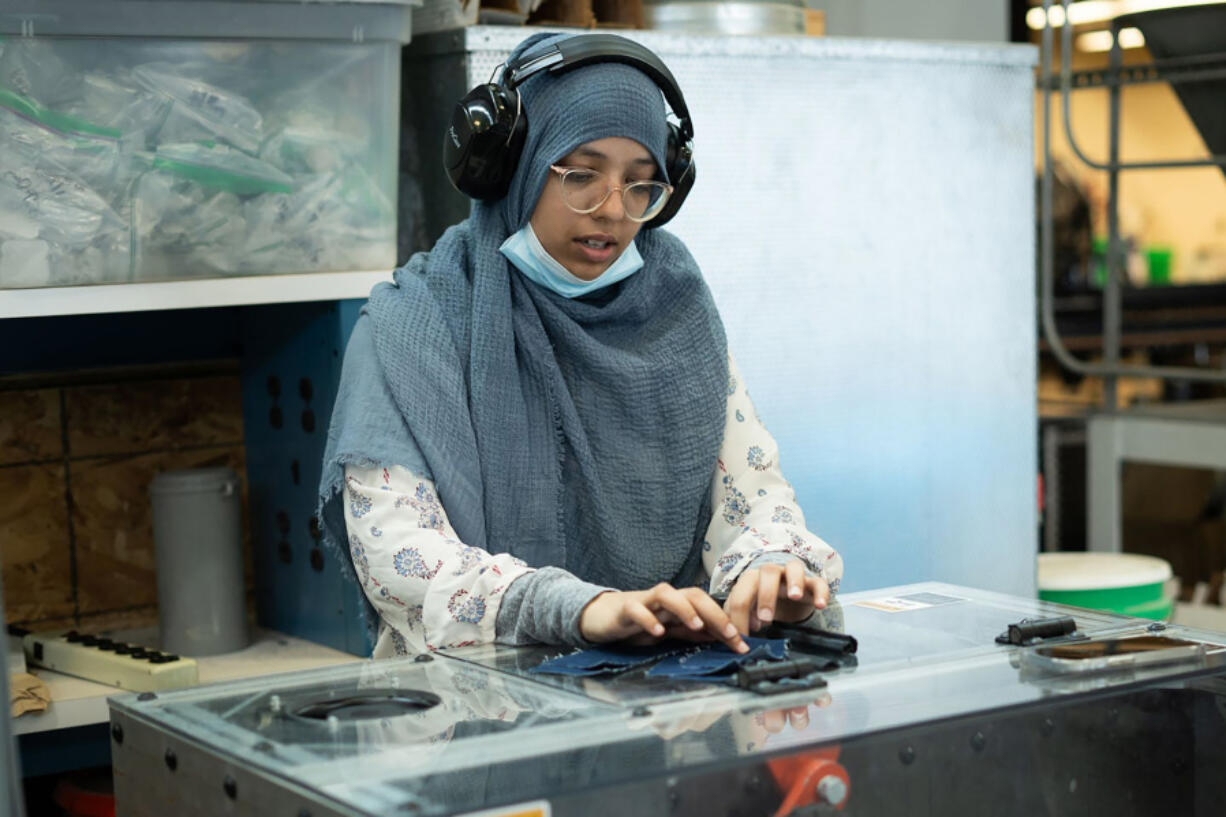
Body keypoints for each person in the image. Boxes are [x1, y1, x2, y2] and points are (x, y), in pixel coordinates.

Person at [319, 32, 842, 659]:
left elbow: (752, 494)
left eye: (641, 184)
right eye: (581, 176)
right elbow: (399, 554)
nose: (613, 210)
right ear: (512, 166)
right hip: (470, 718)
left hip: (662, 713)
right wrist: (579, 608)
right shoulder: (409, 326)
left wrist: (769, 565)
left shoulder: (677, 313)